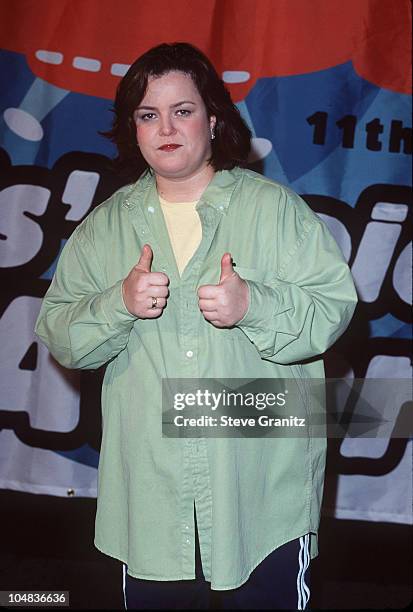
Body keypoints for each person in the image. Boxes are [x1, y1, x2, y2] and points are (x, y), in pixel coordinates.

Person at [35, 42, 358, 610]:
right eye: (148, 114)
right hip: (153, 500)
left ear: (212, 119)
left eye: (182, 110)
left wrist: (253, 304)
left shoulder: (275, 211)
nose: (166, 127)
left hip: (260, 495)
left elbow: (334, 310)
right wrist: (118, 302)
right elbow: (60, 335)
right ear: (132, 128)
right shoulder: (102, 228)